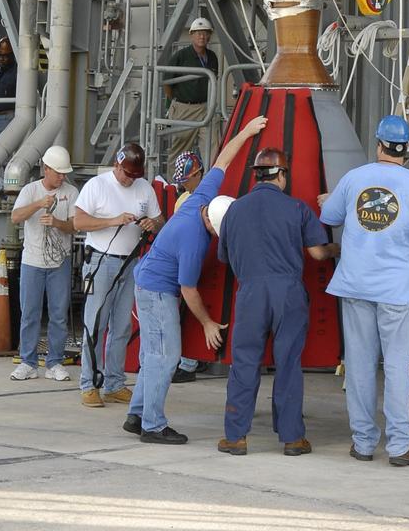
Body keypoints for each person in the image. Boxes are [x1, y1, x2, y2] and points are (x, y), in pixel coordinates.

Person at [122, 115, 268, 444]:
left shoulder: (204, 196)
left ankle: (137, 413)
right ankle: (153, 426)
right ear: (212, 225)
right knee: (166, 356)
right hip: (158, 292)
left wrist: (246, 131)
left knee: (152, 353)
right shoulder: (194, 240)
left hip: (147, 281)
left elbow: (224, 159)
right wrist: (207, 323)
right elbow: (188, 289)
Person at [319, 114, 409, 467]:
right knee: (397, 368)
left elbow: (328, 215)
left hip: (356, 286)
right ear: (406, 149)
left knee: (359, 367)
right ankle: (400, 447)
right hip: (396, 292)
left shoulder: (355, 179)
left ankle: (363, 443)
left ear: (378, 145)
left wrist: (332, 198)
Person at [217, 148, 340, 458]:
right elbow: (316, 253)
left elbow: (225, 257)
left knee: (244, 363)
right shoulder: (296, 208)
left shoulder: (235, 210)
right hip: (287, 293)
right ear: (282, 175)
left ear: (256, 174)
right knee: (288, 364)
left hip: (250, 292)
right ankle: (292, 439)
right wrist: (339, 248)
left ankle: (236, 437)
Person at [73, 142, 164, 407]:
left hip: (131, 262)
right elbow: (78, 222)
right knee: (96, 322)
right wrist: (112, 221)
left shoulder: (144, 188)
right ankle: (89, 383)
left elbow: (161, 221)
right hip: (101, 260)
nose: (130, 180)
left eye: (135, 176)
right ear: (117, 164)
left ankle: (113, 382)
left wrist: (152, 223)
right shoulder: (97, 186)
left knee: (122, 325)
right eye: (127, 174)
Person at [9, 145, 78, 383]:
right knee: (30, 313)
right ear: (46, 169)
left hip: (60, 261)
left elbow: (75, 224)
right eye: (58, 172)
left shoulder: (71, 192)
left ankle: (54, 361)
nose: (62, 176)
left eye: (63, 172)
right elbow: (15, 217)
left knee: (58, 314)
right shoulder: (30, 190)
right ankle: (28, 361)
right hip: (33, 261)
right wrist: (38, 204)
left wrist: (58, 223)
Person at [164, 17, 218, 175]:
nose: (202, 36)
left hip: (205, 107)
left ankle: (211, 181)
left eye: (205, 33)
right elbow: (167, 81)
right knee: (180, 147)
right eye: (198, 33)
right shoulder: (181, 56)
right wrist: (174, 102)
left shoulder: (212, 57)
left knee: (212, 146)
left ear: (209, 36)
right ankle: (173, 185)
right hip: (184, 108)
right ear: (191, 35)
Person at [170, 150, 206, 384]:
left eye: (186, 180)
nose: (183, 185)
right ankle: (189, 360)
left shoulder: (206, 196)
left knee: (194, 313)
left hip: (200, 261)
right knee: (188, 313)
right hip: (189, 260)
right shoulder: (185, 199)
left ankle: (189, 362)